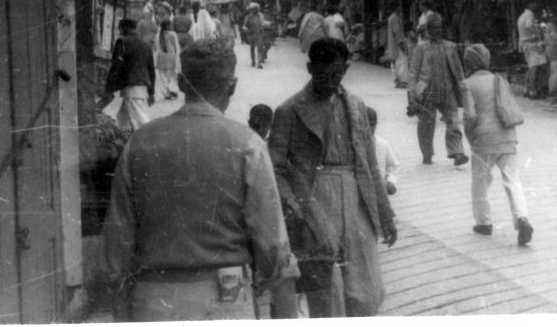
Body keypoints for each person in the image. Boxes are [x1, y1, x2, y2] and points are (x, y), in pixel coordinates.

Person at [102, 39, 299, 321]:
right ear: (232, 86)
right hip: (226, 298)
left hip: (155, 300)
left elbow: (116, 244)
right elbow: (274, 247)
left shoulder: (140, 142)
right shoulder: (248, 145)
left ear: (181, 83)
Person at [269, 38, 397, 318]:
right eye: (322, 74)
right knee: (327, 289)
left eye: (337, 75)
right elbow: (275, 169)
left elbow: (370, 165)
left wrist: (385, 214)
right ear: (309, 68)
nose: (330, 81)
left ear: (346, 69)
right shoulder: (289, 111)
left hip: (355, 199)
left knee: (367, 289)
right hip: (314, 202)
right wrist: (295, 207)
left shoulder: (356, 106)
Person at [461, 44, 533, 245]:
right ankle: (522, 218)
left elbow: (470, 115)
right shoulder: (499, 80)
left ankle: (484, 222)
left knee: (480, 183)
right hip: (508, 135)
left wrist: (470, 135)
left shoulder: (466, 84)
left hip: (483, 139)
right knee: (513, 180)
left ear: (468, 63)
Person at [408, 13, 469, 166]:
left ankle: (457, 153)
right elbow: (413, 73)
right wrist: (412, 96)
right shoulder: (421, 48)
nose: (438, 31)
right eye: (434, 28)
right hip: (427, 92)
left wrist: (463, 87)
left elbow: (459, 70)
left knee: (453, 122)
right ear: (428, 30)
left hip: (447, 91)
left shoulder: (450, 47)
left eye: (440, 28)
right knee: (426, 126)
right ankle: (427, 155)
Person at [106, 19, 155, 131]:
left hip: (130, 85)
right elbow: (151, 69)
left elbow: (115, 65)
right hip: (142, 86)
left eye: (120, 29)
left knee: (141, 120)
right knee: (123, 118)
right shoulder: (145, 45)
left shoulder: (122, 41)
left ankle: (150, 141)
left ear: (123, 28)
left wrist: (109, 87)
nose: (119, 32)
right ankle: (127, 139)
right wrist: (151, 92)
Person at [366, 107, 401, 196]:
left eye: (372, 125)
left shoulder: (382, 144)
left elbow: (394, 167)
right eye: (365, 125)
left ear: (376, 125)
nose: (369, 129)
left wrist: (391, 181)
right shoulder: (354, 145)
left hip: (379, 190)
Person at [517, 0, 548, 99]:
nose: (536, 4)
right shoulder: (530, 15)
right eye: (534, 3)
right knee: (534, 68)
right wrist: (535, 35)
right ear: (529, 4)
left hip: (525, 44)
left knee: (531, 68)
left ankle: (527, 89)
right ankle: (533, 92)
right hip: (531, 44)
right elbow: (529, 26)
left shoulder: (522, 16)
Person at [155, 19, 180, 100]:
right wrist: (178, 57)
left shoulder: (157, 35)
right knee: (173, 76)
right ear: (168, 25)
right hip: (171, 56)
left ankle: (167, 94)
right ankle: (172, 88)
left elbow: (156, 48)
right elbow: (176, 47)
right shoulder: (173, 34)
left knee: (163, 77)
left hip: (161, 58)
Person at [386, 2, 409, 88]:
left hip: (392, 44)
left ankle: (397, 80)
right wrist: (401, 43)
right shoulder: (395, 17)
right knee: (401, 62)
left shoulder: (390, 18)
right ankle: (402, 81)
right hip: (397, 45)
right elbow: (397, 31)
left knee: (394, 64)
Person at [543, 11, 557, 97]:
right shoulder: (552, 27)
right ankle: (556, 89)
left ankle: (552, 88)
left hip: (549, 49)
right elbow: (556, 37)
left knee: (553, 69)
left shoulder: (548, 26)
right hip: (554, 49)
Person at [242, 2, 265, 69]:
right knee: (252, 48)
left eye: (256, 9)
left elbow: (263, 23)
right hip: (251, 34)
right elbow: (244, 26)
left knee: (259, 48)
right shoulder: (248, 17)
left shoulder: (260, 16)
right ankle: (253, 61)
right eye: (253, 9)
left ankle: (259, 63)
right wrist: (246, 29)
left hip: (259, 34)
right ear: (251, 10)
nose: (255, 10)